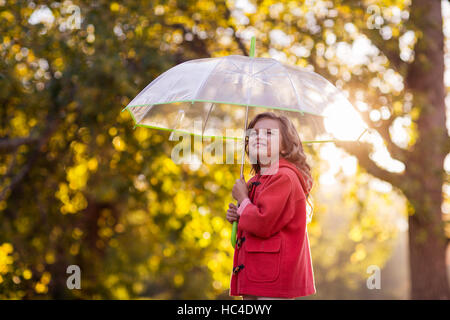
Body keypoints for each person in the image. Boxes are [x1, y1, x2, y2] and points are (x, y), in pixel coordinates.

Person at [226, 111, 316, 300]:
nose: (259, 136)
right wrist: (239, 216)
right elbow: (253, 220)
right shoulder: (255, 181)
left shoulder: (284, 177)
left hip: (273, 280)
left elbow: (262, 223)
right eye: (255, 133)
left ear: (284, 147)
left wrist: (243, 201)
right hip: (255, 273)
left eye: (269, 133)